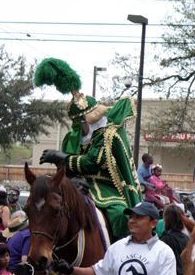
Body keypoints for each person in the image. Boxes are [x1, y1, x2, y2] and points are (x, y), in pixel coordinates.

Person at [35, 58, 141, 239]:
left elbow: (93, 162)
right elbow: (64, 170)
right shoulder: (72, 137)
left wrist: (62, 158)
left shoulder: (107, 134)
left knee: (119, 215)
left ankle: (122, 254)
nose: (76, 128)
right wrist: (71, 180)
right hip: (76, 187)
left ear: (90, 118)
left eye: (79, 123)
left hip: (107, 188)